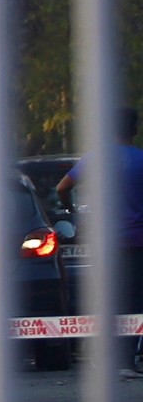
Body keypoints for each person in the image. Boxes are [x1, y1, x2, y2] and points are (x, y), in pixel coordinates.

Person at [55, 104, 143, 377]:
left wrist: (71, 209)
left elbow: (62, 187)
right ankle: (126, 361)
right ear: (134, 130)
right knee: (134, 300)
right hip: (137, 241)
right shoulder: (141, 160)